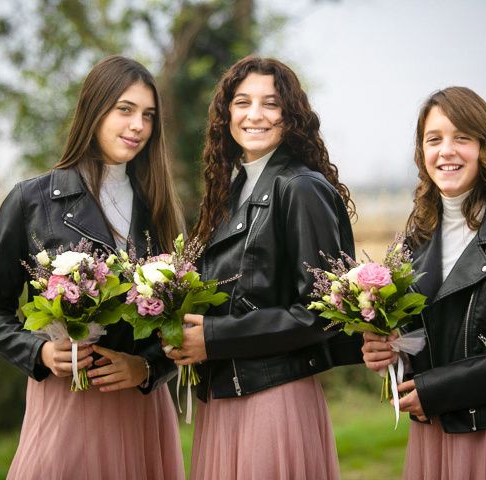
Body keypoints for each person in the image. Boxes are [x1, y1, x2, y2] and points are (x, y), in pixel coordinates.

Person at [0, 55, 185, 480]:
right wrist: (40, 351)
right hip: (66, 398)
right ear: (94, 109)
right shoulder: (30, 200)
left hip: (141, 404)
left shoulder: (157, 205)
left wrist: (146, 368)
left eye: (147, 115)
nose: (138, 126)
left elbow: (178, 321)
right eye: (125, 110)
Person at [166, 56, 361, 479]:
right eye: (242, 102)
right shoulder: (231, 190)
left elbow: (323, 314)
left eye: (270, 104)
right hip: (223, 397)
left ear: (290, 116)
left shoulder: (301, 187)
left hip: (273, 399)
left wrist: (214, 338)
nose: (254, 115)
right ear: (226, 114)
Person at [362, 86, 486, 479]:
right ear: (422, 153)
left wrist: (441, 389)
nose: (446, 151)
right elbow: (427, 338)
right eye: (434, 139)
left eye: (461, 138)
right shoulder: (414, 238)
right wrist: (390, 354)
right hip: (433, 435)